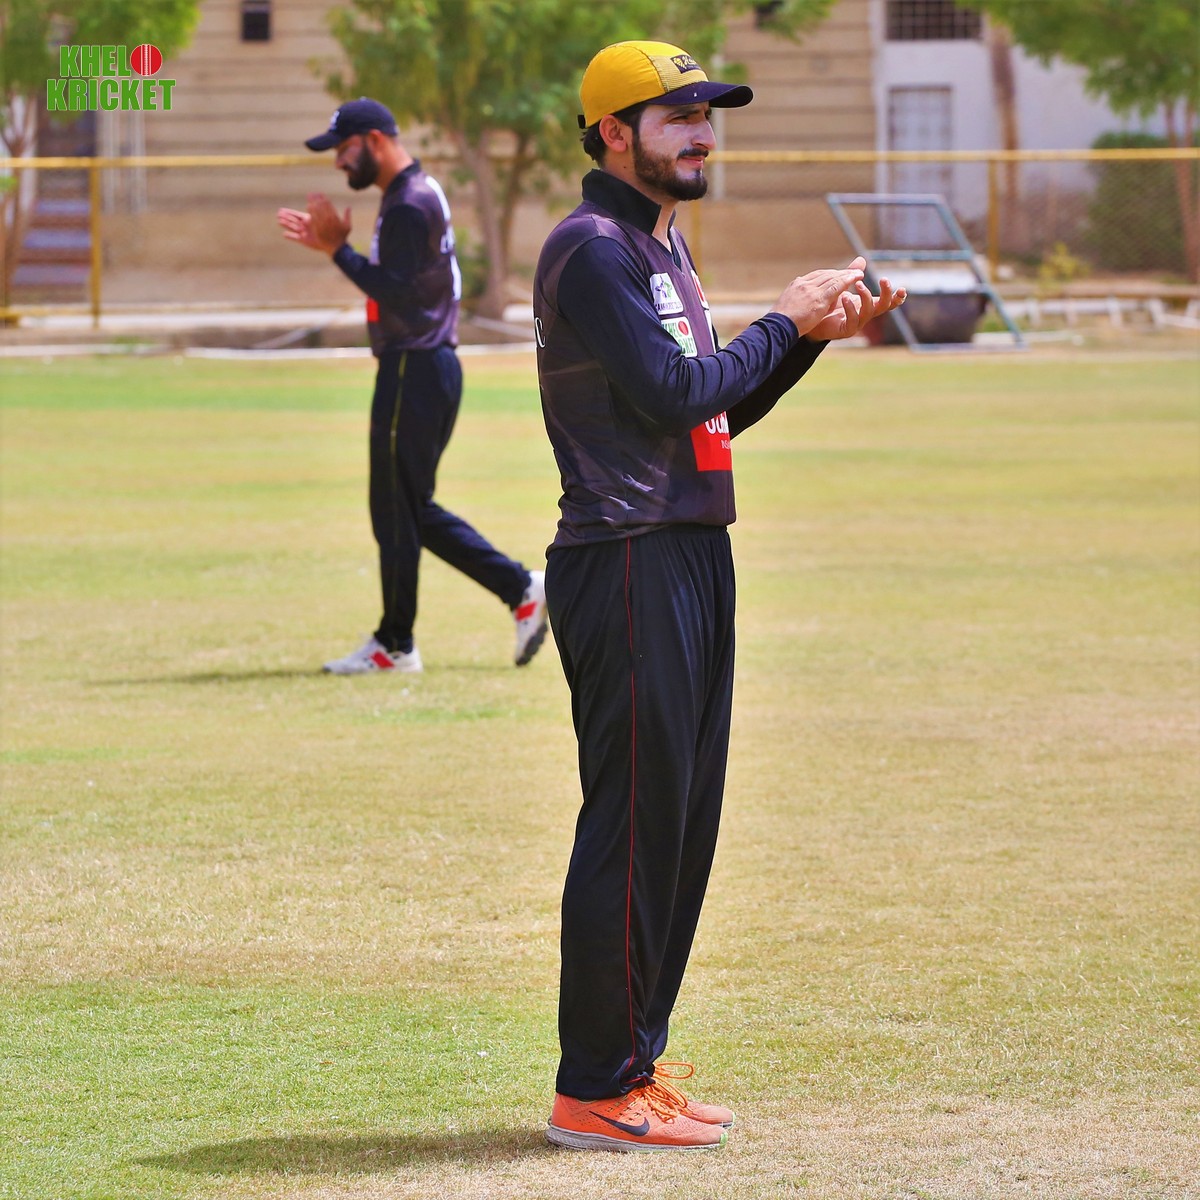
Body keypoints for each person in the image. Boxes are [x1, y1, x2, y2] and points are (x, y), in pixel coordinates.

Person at [533, 41, 906, 1152]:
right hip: (627, 558)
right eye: (677, 116)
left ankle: (634, 1068)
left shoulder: (660, 243)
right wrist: (781, 320)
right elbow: (668, 393)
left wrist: (807, 343)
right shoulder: (591, 247)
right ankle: (593, 1087)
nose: (702, 133)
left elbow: (710, 410)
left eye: (708, 115)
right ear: (614, 133)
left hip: (689, 553)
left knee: (681, 827)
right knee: (634, 827)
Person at [277, 98, 548, 674]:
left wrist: (337, 251)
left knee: (399, 509)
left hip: (414, 369)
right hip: (426, 368)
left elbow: (396, 292)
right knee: (400, 510)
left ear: (374, 140)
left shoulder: (406, 202)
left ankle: (415, 635)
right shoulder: (417, 190)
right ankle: (471, 609)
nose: (338, 162)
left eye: (344, 149)